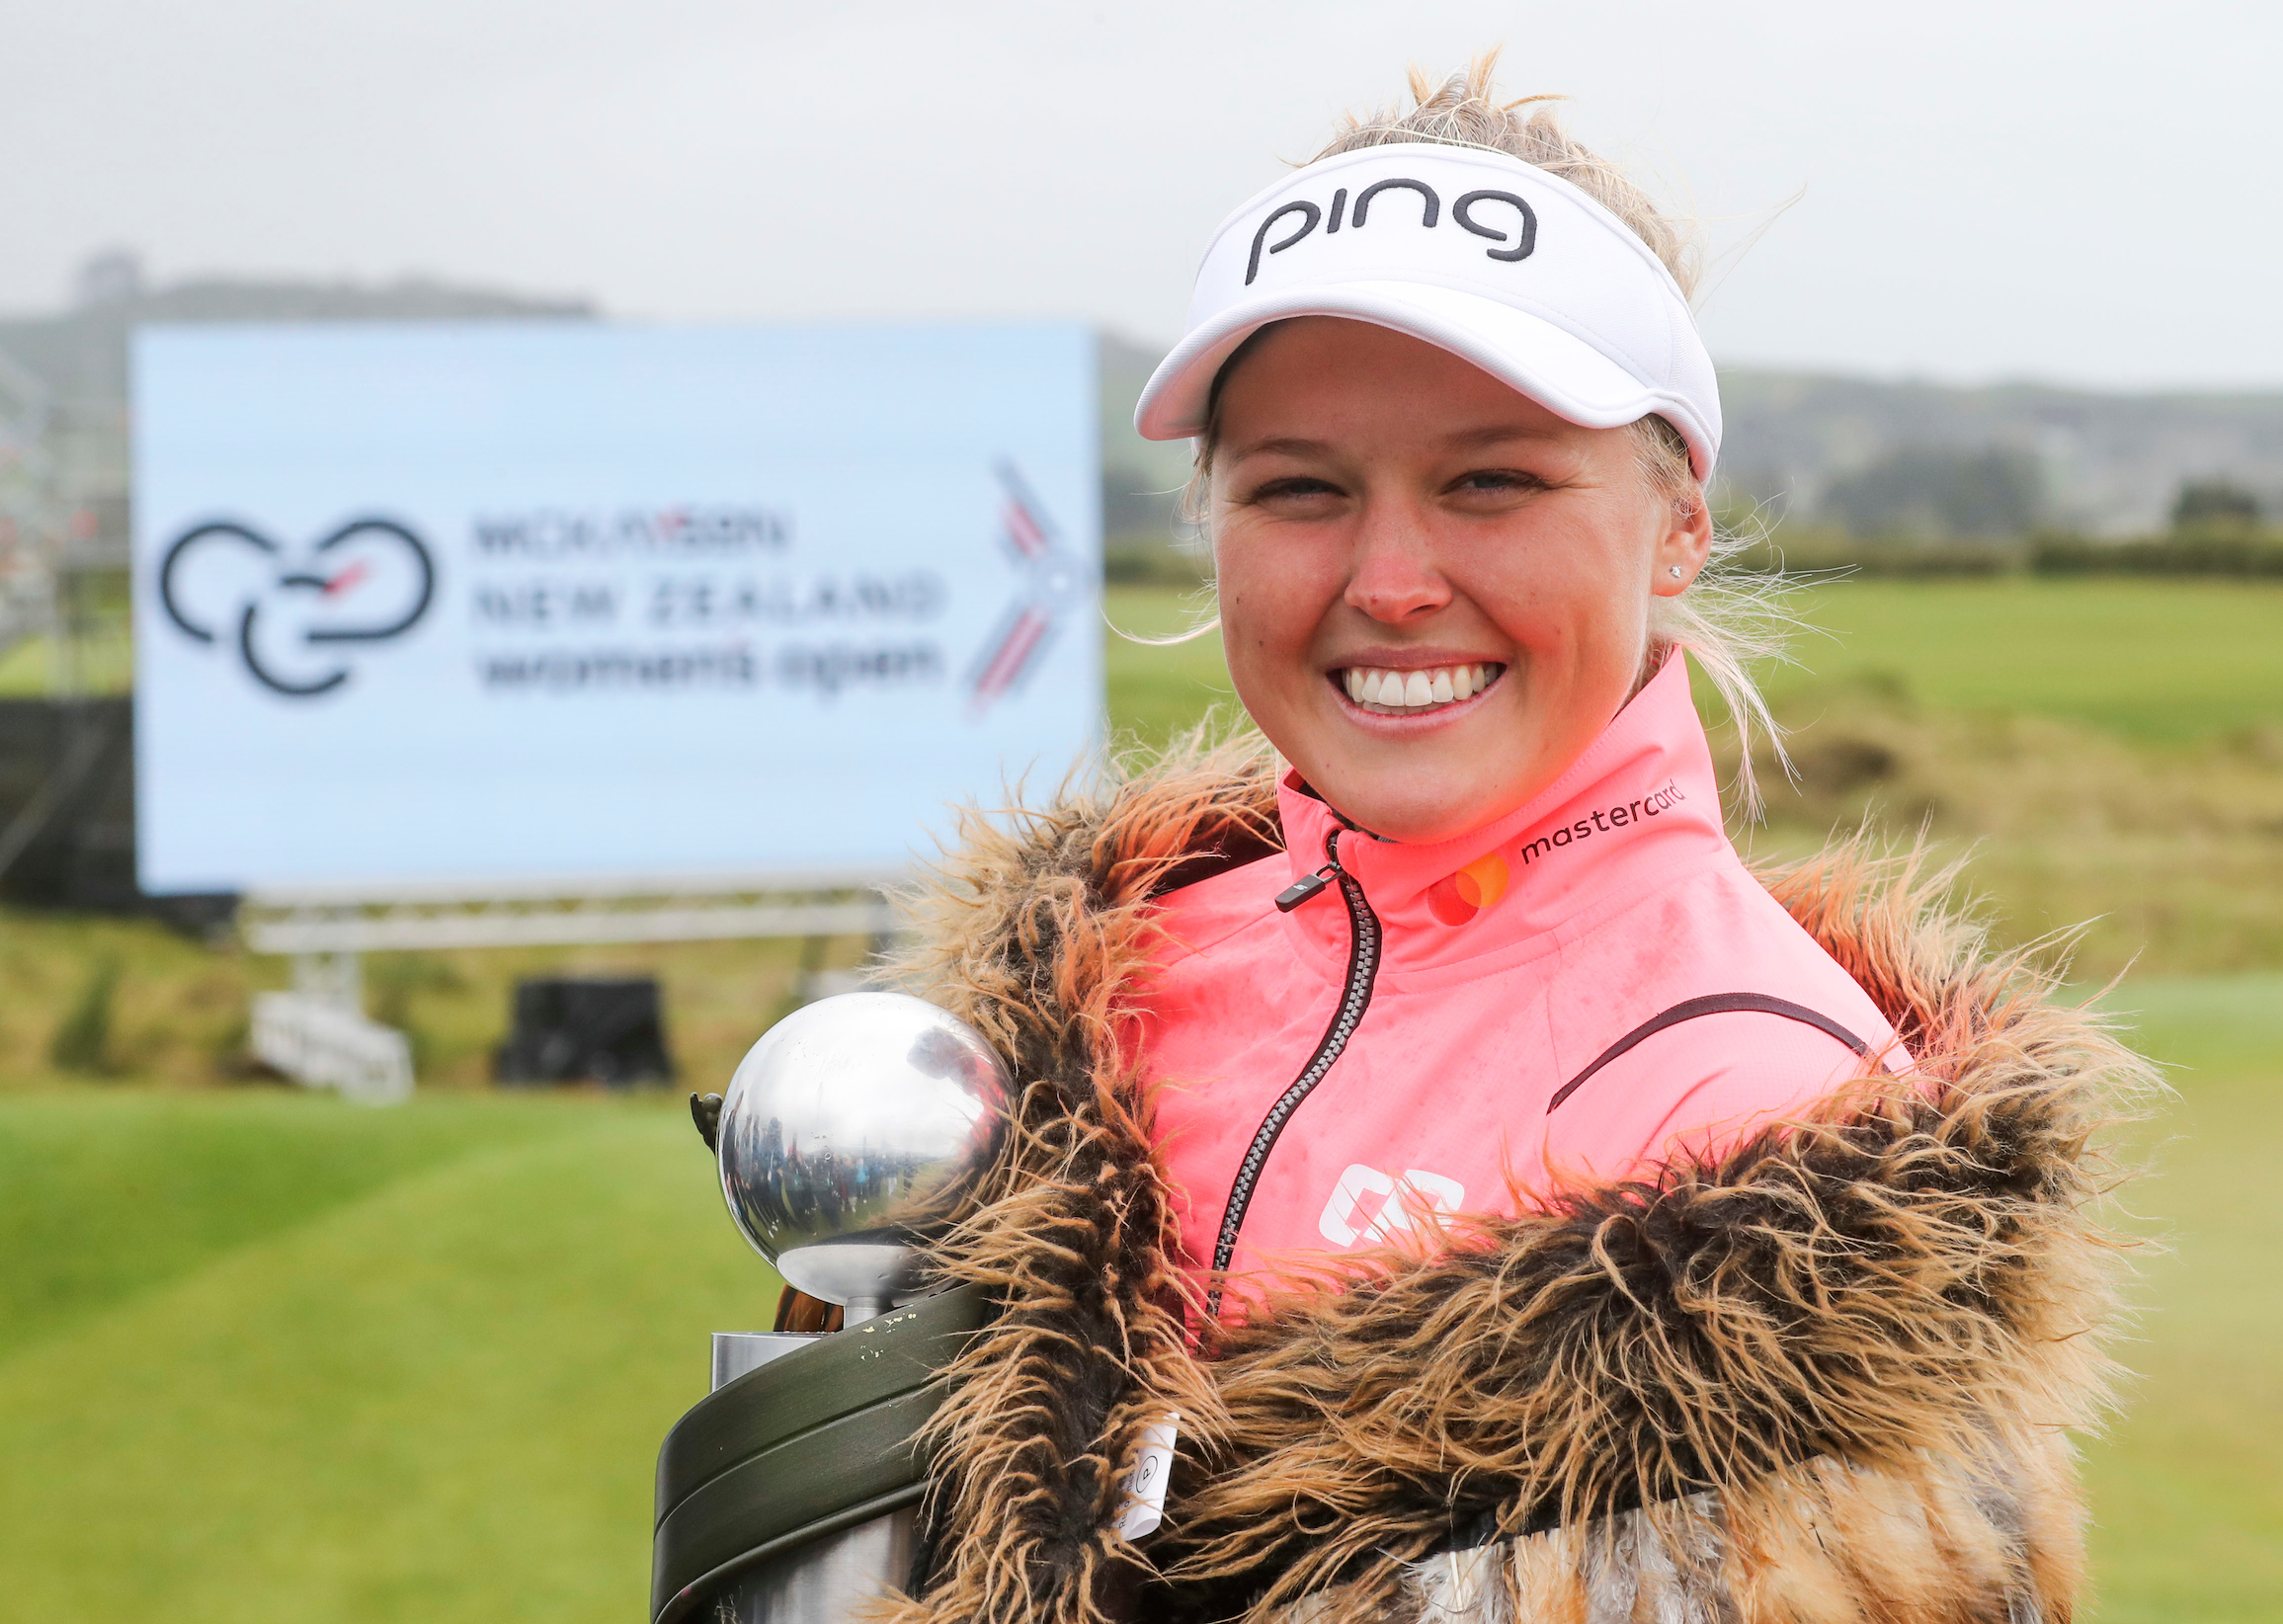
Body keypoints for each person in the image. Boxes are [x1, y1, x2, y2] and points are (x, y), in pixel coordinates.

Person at [859, 59, 2147, 1624]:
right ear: (1210, 519)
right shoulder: (1090, 1002)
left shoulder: (1765, 1107)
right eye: (1299, 488)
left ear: (1677, 519)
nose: (1391, 578)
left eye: (1490, 481)